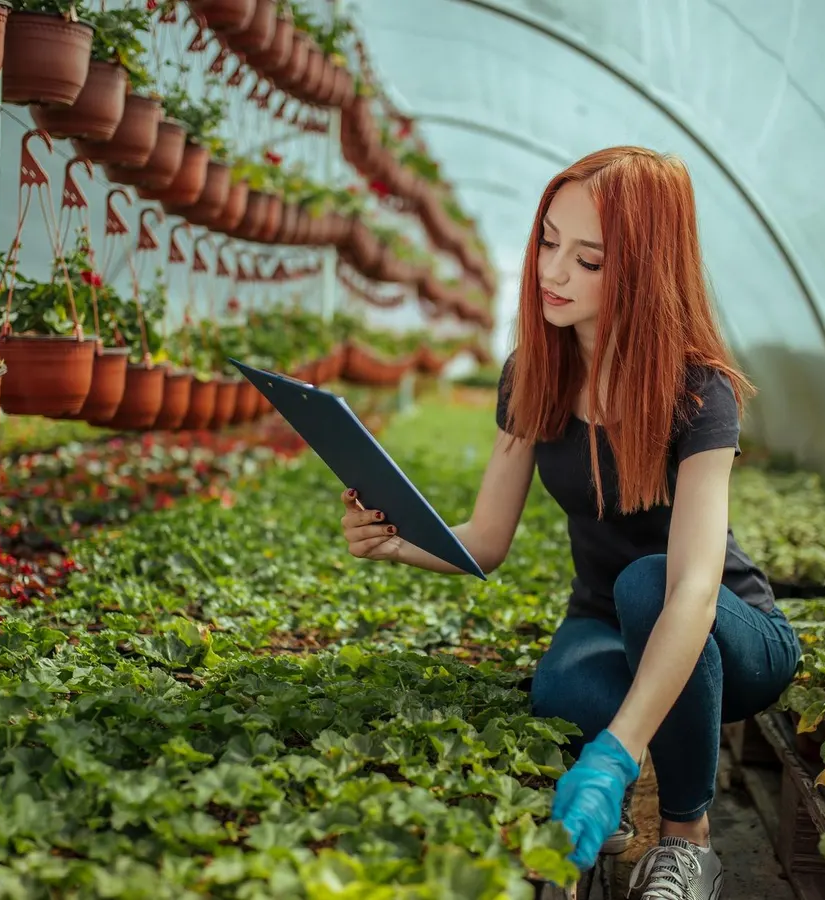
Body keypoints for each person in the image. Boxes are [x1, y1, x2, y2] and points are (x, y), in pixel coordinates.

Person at [336, 146, 801, 900]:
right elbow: (485, 543)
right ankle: (616, 779)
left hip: (727, 628)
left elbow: (690, 591)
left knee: (648, 584)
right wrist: (392, 541)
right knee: (559, 689)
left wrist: (616, 754)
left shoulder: (699, 391)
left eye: (588, 261)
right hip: (602, 622)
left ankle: (686, 839)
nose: (552, 273)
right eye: (548, 241)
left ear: (645, 270)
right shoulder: (533, 373)